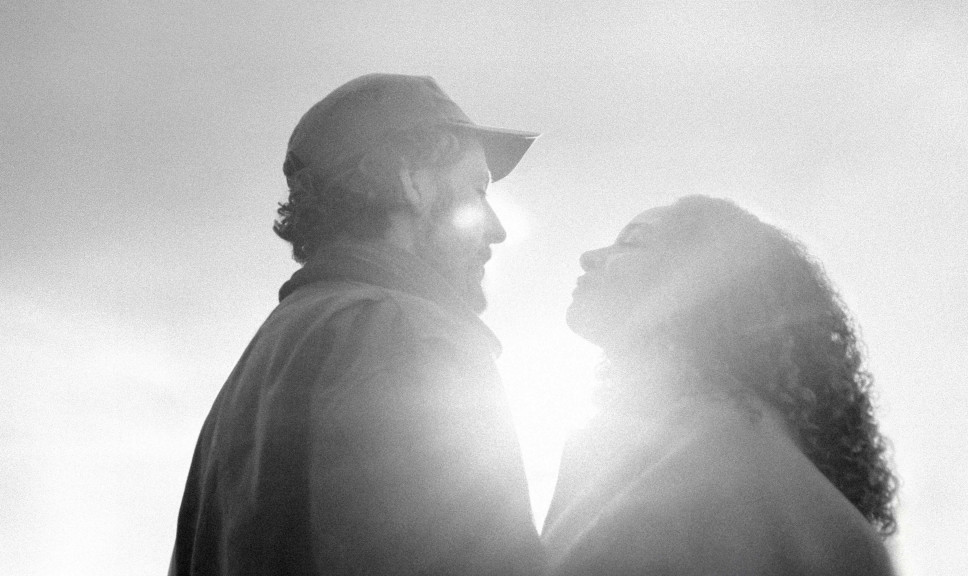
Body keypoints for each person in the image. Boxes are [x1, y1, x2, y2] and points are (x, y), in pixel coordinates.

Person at [170, 73, 542, 576]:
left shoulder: (261, 364)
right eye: (477, 191)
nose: (496, 229)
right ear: (413, 181)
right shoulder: (404, 333)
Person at [542, 195, 898, 576]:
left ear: (696, 281)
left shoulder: (628, 448)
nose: (589, 257)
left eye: (632, 242)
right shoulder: (849, 536)